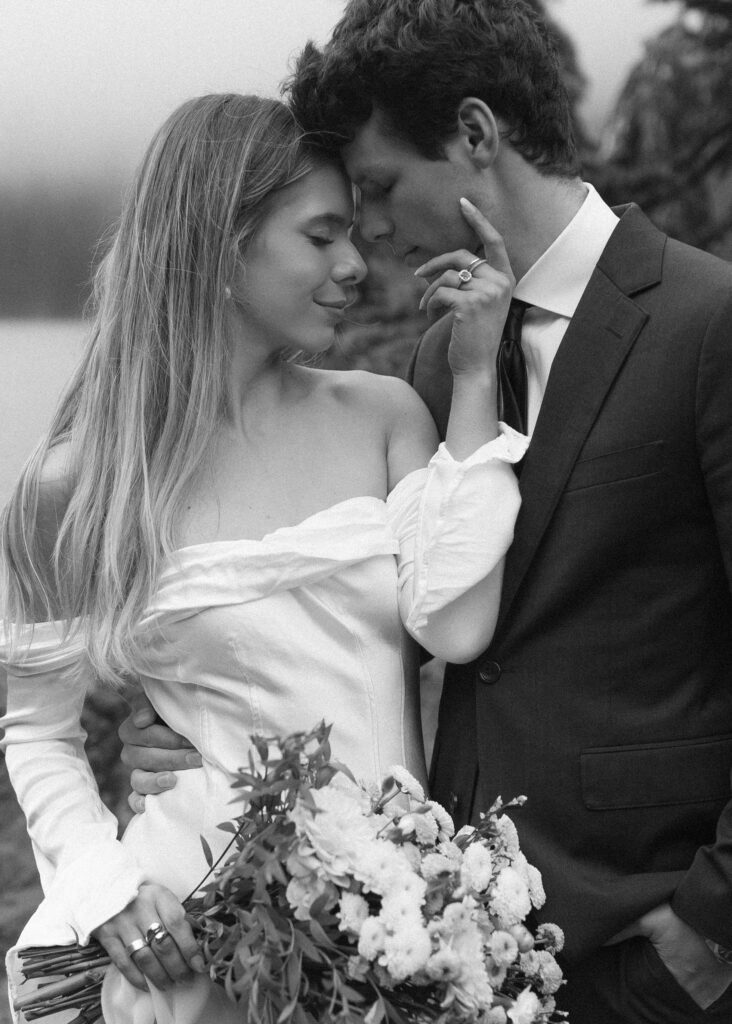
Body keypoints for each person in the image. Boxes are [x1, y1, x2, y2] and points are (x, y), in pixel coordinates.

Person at [120, 3, 732, 1021]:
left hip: (656, 949)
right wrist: (179, 710)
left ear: (478, 134)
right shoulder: (431, 368)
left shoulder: (708, 322)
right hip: (441, 951)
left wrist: (711, 928)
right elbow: (376, 626)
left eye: (377, 186)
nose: (367, 230)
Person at [0, 91, 528, 1024]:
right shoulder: (77, 483)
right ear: (222, 244)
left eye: (354, 237)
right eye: (321, 236)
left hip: (386, 938)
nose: (355, 265)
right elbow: (39, 731)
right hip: (192, 940)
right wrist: (103, 886)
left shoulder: (384, 415)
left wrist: (478, 374)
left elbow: (457, 619)